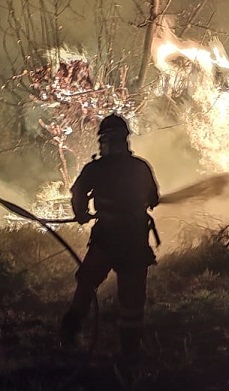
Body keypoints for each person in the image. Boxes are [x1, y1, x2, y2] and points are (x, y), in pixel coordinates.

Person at [60, 113, 160, 363]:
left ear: (104, 142)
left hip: (107, 240)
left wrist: (81, 214)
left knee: (87, 283)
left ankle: (69, 333)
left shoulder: (96, 168)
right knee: (132, 299)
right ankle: (130, 351)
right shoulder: (140, 167)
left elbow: (78, 195)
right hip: (134, 242)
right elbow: (153, 197)